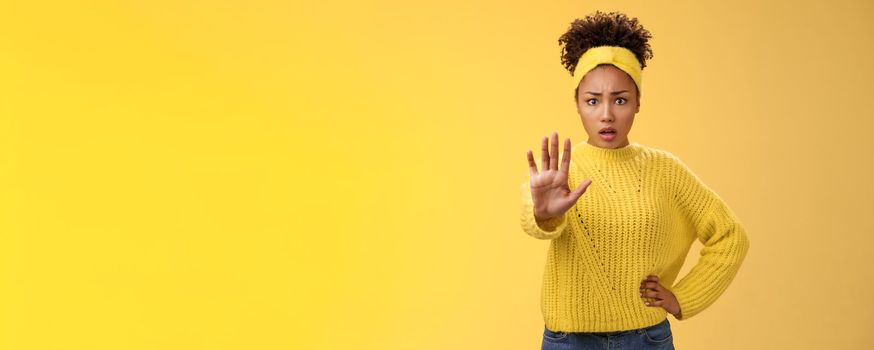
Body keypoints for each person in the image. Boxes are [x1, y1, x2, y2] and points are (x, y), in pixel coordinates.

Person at [520, 11, 751, 350]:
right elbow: (533, 218)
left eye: (621, 99)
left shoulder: (665, 169)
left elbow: (731, 236)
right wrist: (543, 214)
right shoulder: (562, 168)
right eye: (593, 101)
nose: (607, 114)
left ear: (638, 102)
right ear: (577, 104)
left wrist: (682, 297)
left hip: (645, 338)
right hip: (568, 340)